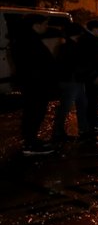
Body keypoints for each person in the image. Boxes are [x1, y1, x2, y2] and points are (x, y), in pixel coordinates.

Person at [12, 14, 58, 155]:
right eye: (44, 24)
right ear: (36, 25)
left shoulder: (28, 39)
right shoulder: (28, 41)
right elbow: (35, 64)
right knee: (34, 112)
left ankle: (31, 140)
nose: (46, 27)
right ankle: (30, 144)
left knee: (35, 112)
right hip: (35, 84)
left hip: (35, 83)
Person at [51, 22, 92, 142]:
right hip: (71, 80)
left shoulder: (67, 46)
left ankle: (83, 129)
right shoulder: (71, 47)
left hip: (73, 80)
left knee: (81, 104)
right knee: (66, 107)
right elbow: (74, 64)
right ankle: (58, 133)